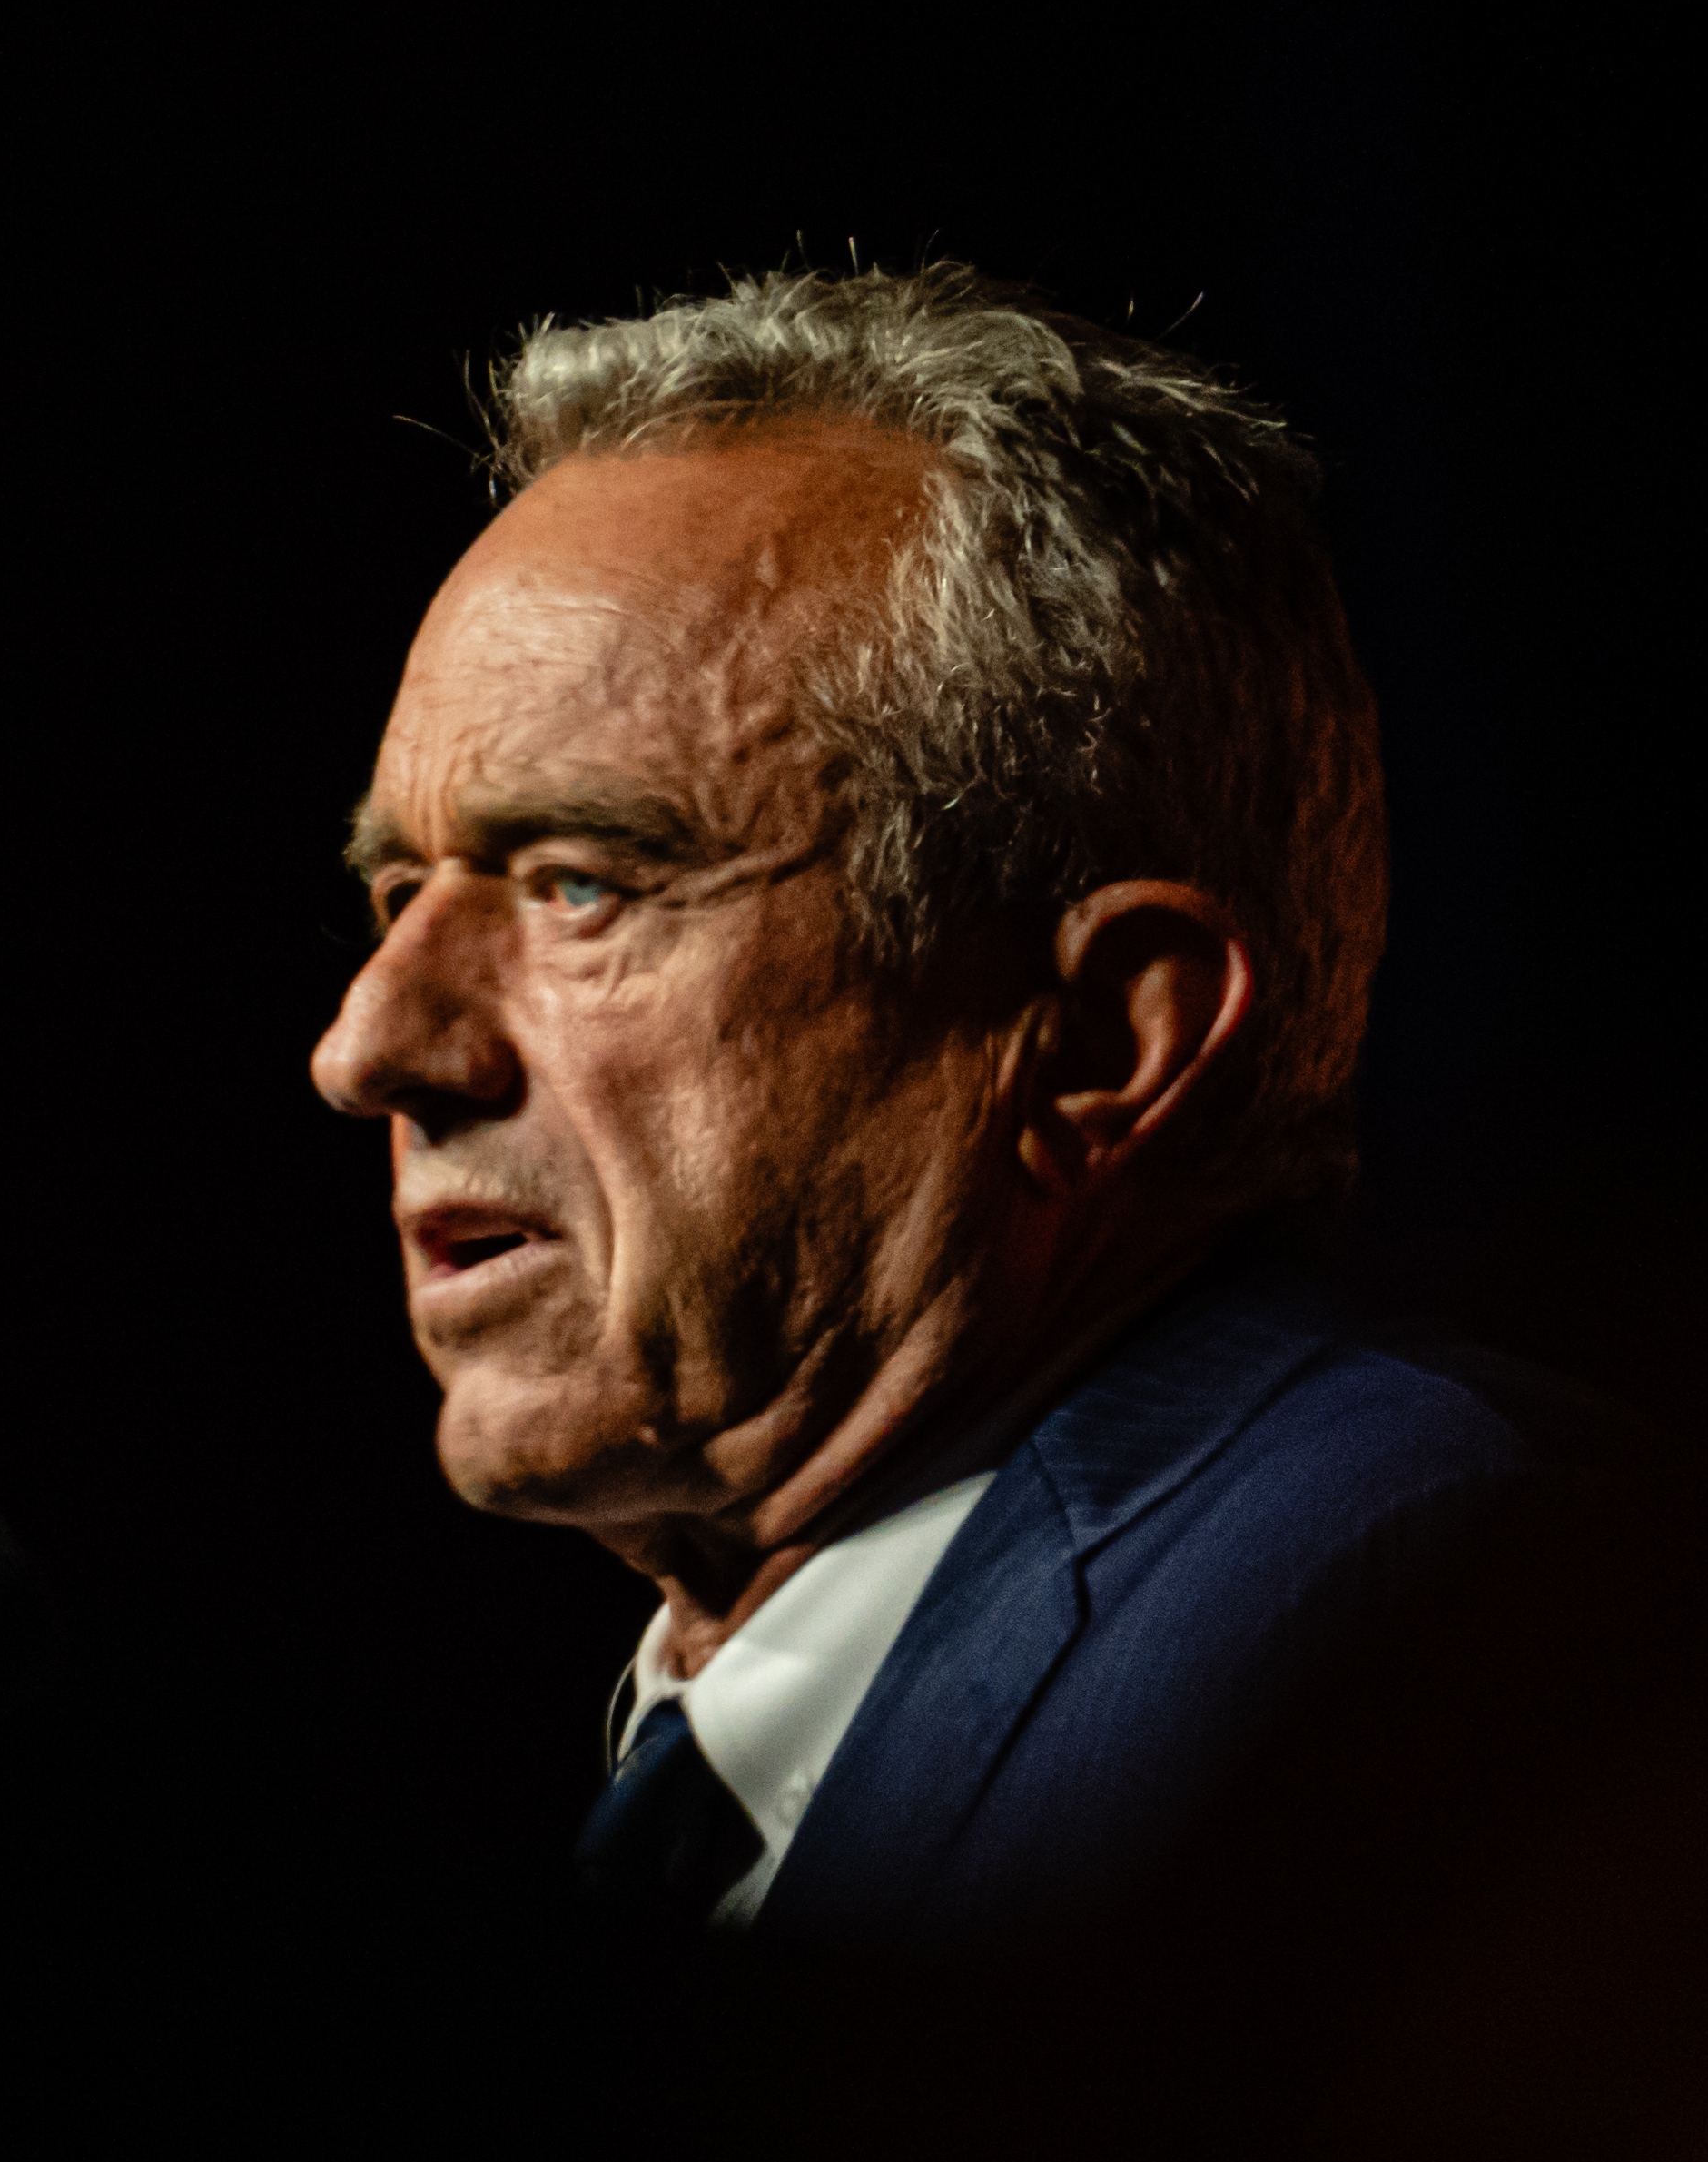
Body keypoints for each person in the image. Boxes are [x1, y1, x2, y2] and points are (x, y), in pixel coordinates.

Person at [311, 265, 1557, 1941]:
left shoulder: (1413, 1639)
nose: (371, 1045)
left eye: (583, 886)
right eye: (402, 896)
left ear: (1106, 1039)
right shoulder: (736, 1728)